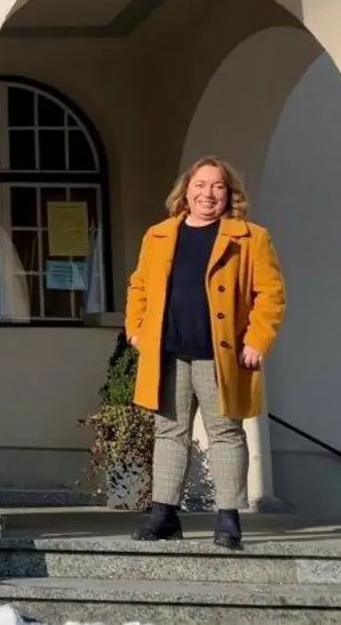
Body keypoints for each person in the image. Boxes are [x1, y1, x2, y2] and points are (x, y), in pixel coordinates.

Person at [123, 156, 286, 550]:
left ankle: (228, 518)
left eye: (216, 186)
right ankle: (164, 513)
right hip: (168, 353)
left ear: (229, 194)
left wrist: (256, 340)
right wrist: (137, 331)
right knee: (169, 432)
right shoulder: (159, 235)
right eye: (200, 185)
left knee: (226, 434)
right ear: (186, 191)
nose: (207, 194)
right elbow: (139, 286)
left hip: (221, 355)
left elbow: (271, 294)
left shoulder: (251, 237)